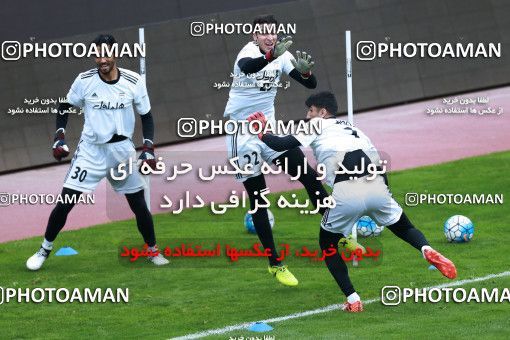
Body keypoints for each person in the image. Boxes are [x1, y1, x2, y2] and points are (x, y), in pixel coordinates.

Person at [248, 91, 457, 311]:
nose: (307, 116)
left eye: (310, 111)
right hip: (377, 185)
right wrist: (385, 194)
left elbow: (282, 144)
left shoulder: (316, 125)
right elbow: (378, 162)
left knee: (327, 244)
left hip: (346, 192)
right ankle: (426, 249)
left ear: (323, 112)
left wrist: (262, 132)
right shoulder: (355, 130)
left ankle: (353, 299)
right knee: (404, 227)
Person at [26, 34, 169, 270]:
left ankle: (153, 251)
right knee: (66, 202)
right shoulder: (84, 81)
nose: (102, 59)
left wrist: (148, 148)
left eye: (106, 54)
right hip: (91, 151)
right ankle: (44, 250)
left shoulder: (134, 81)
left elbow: (147, 116)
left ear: (116, 53)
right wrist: (59, 136)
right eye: (97, 55)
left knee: (138, 204)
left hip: (122, 151)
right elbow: (64, 106)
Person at [224, 15, 329, 286]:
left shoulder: (282, 54)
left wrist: (305, 73)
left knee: (307, 173)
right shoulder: (248, 54)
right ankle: (275, 264)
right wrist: (271, 56)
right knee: (258, 197)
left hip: (268, 128)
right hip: (241, 133)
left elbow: (311, 84)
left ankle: (337, 229)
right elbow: (249, 68)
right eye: (263, 33)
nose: (269, 37)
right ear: (254, 36)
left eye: (273, 32)